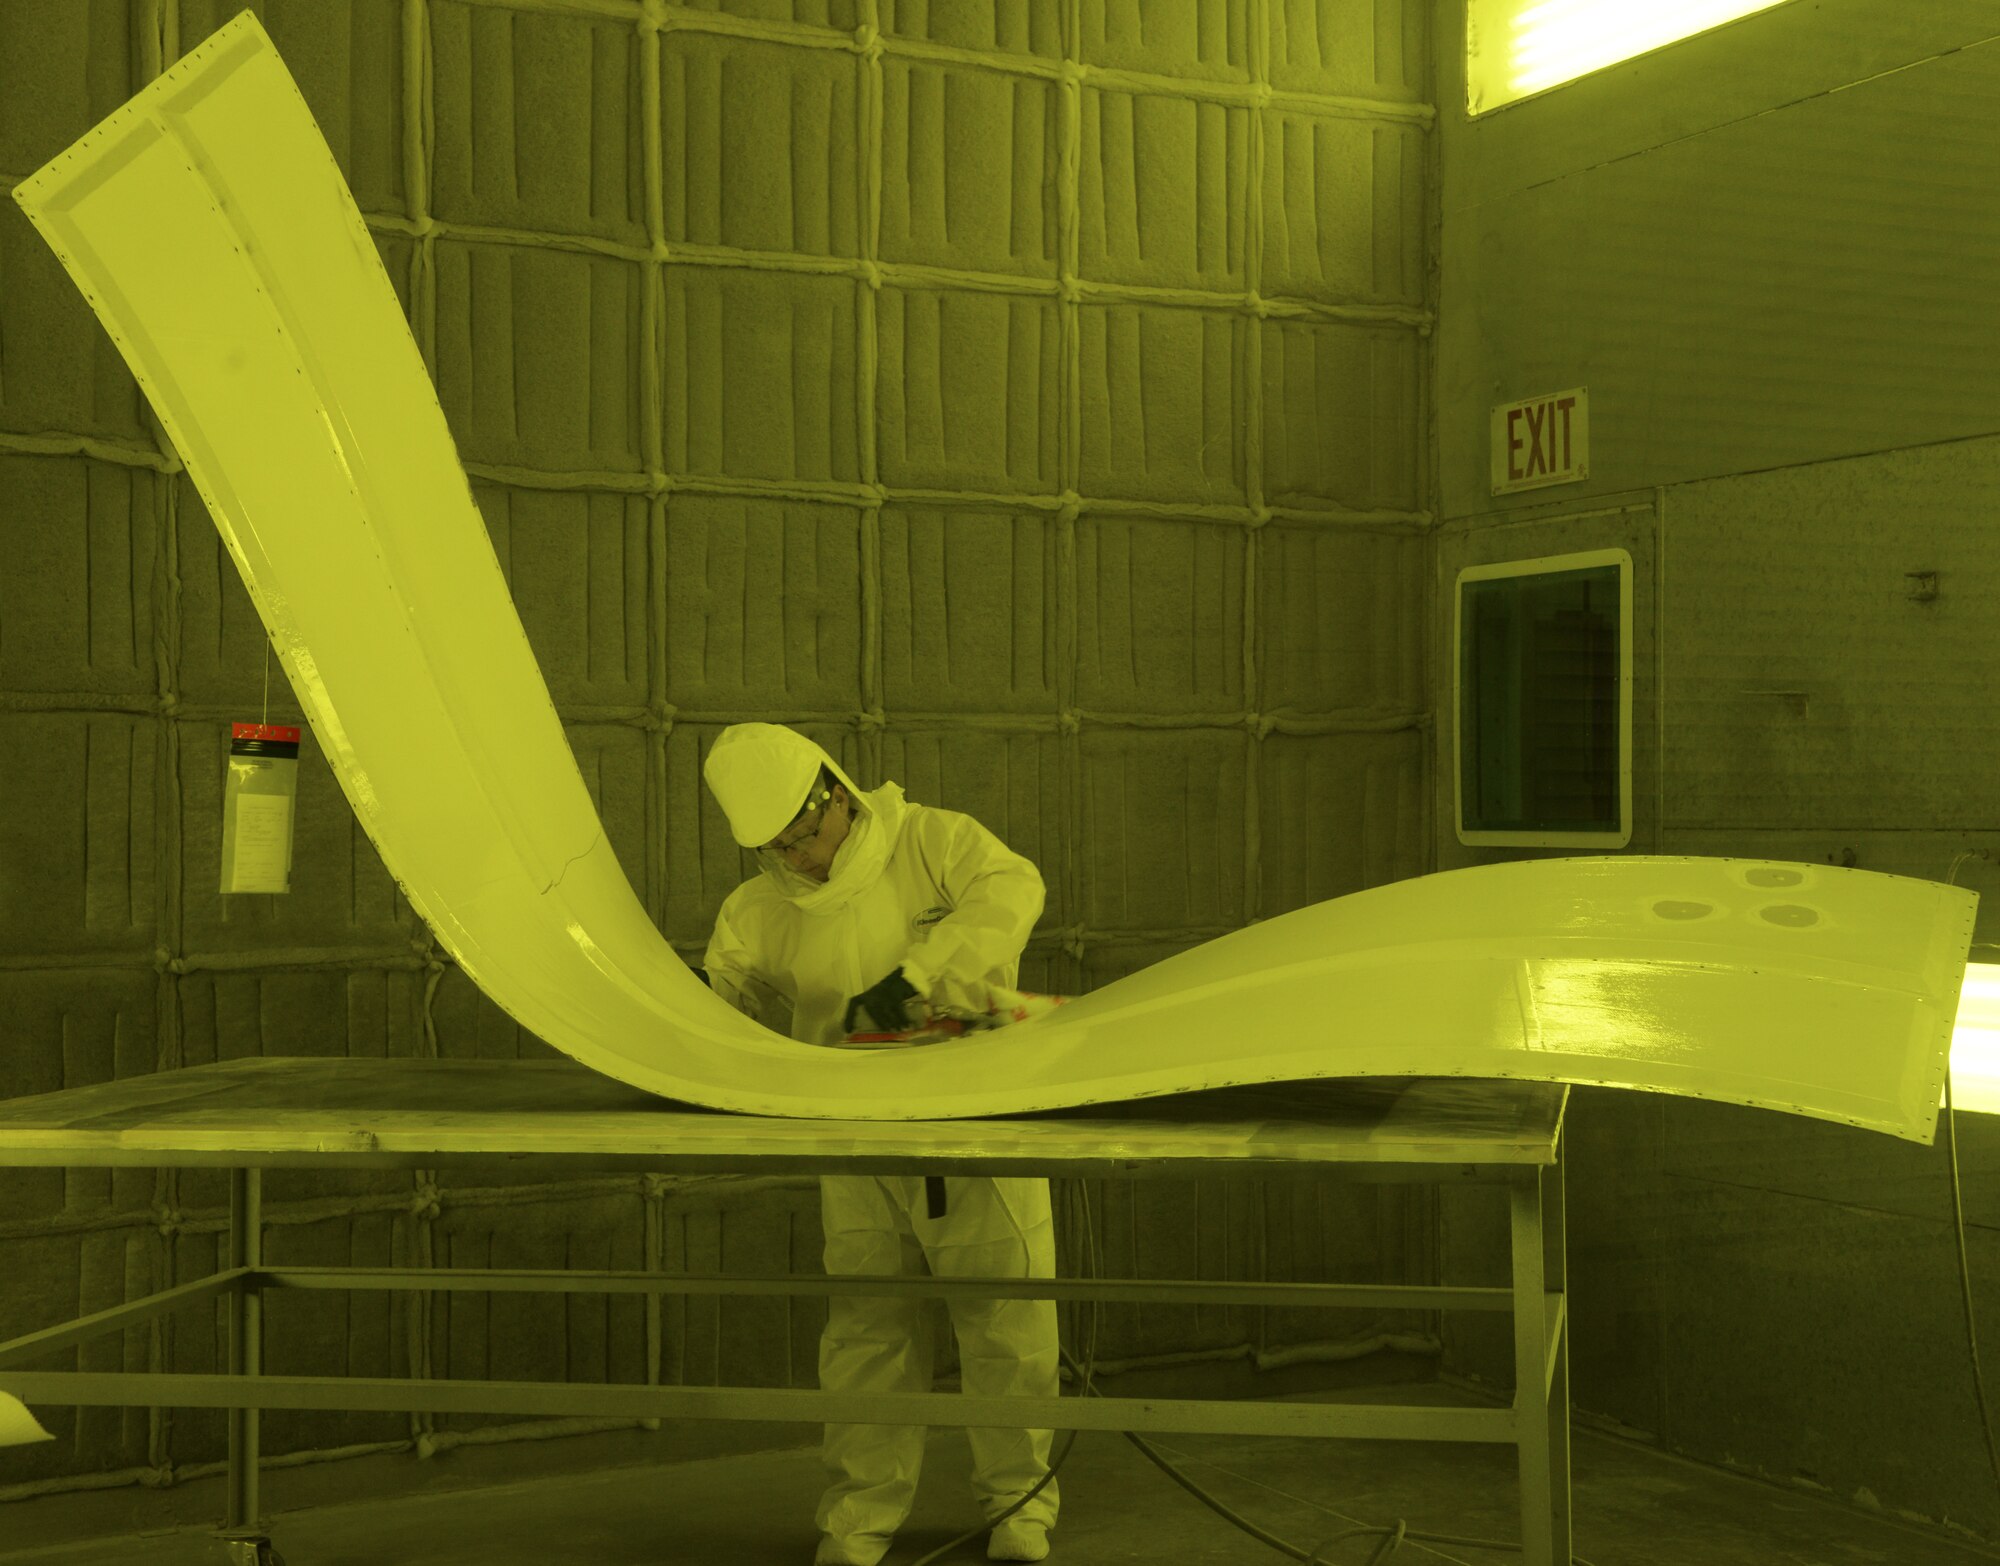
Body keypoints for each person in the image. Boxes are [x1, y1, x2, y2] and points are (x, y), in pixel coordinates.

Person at [697, 723, 1061, 1566]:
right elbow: (728, 993)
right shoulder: (762, 907)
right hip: (853, 1137)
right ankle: (858, 1518)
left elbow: (1015, 889)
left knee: (1005, 1325)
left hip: (971, 1122)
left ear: (839, 793)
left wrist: (919, 980)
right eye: (783, 849)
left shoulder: (933, 842)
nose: (806, 861)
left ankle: (1022, 1507)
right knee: (868, 1334)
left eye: (809, 836)